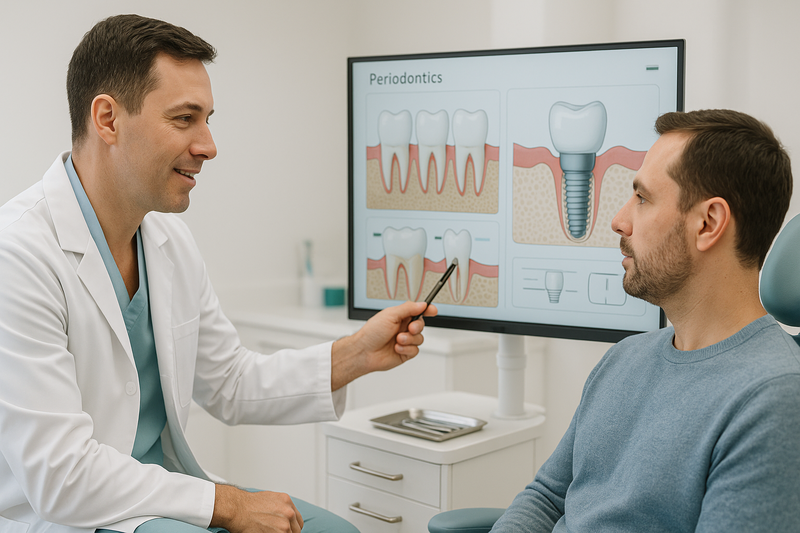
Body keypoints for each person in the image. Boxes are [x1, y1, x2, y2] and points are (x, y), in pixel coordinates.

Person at [0, 14, 436, 533]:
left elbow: (228, 381)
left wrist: (356, 354)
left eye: (208, 119)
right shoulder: (19, 254)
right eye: (185, 119)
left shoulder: (168, 242)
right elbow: (61, 478)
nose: (208, 145)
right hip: (77, 516)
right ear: (108, 119)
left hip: (168, 493)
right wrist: (228, 503)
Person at [491, 109, 800, 532]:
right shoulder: (624, 358)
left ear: (708, 223)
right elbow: (547, 497)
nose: (619, 220)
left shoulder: (773, 400)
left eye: (642, 198)